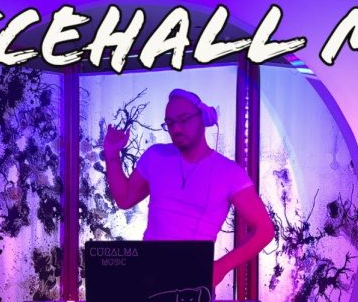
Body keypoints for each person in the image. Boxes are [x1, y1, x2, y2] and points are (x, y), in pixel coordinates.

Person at [104, 88, 275, 287]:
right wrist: (112, 154)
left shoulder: (229, 173)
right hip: (147, 275)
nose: (176, 128)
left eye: (183, 120)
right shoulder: (156, 156)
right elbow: (125, 199)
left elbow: (264, 230)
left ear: (203, 118)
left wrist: (221, 267)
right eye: (170, 123)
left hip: (194, 279)